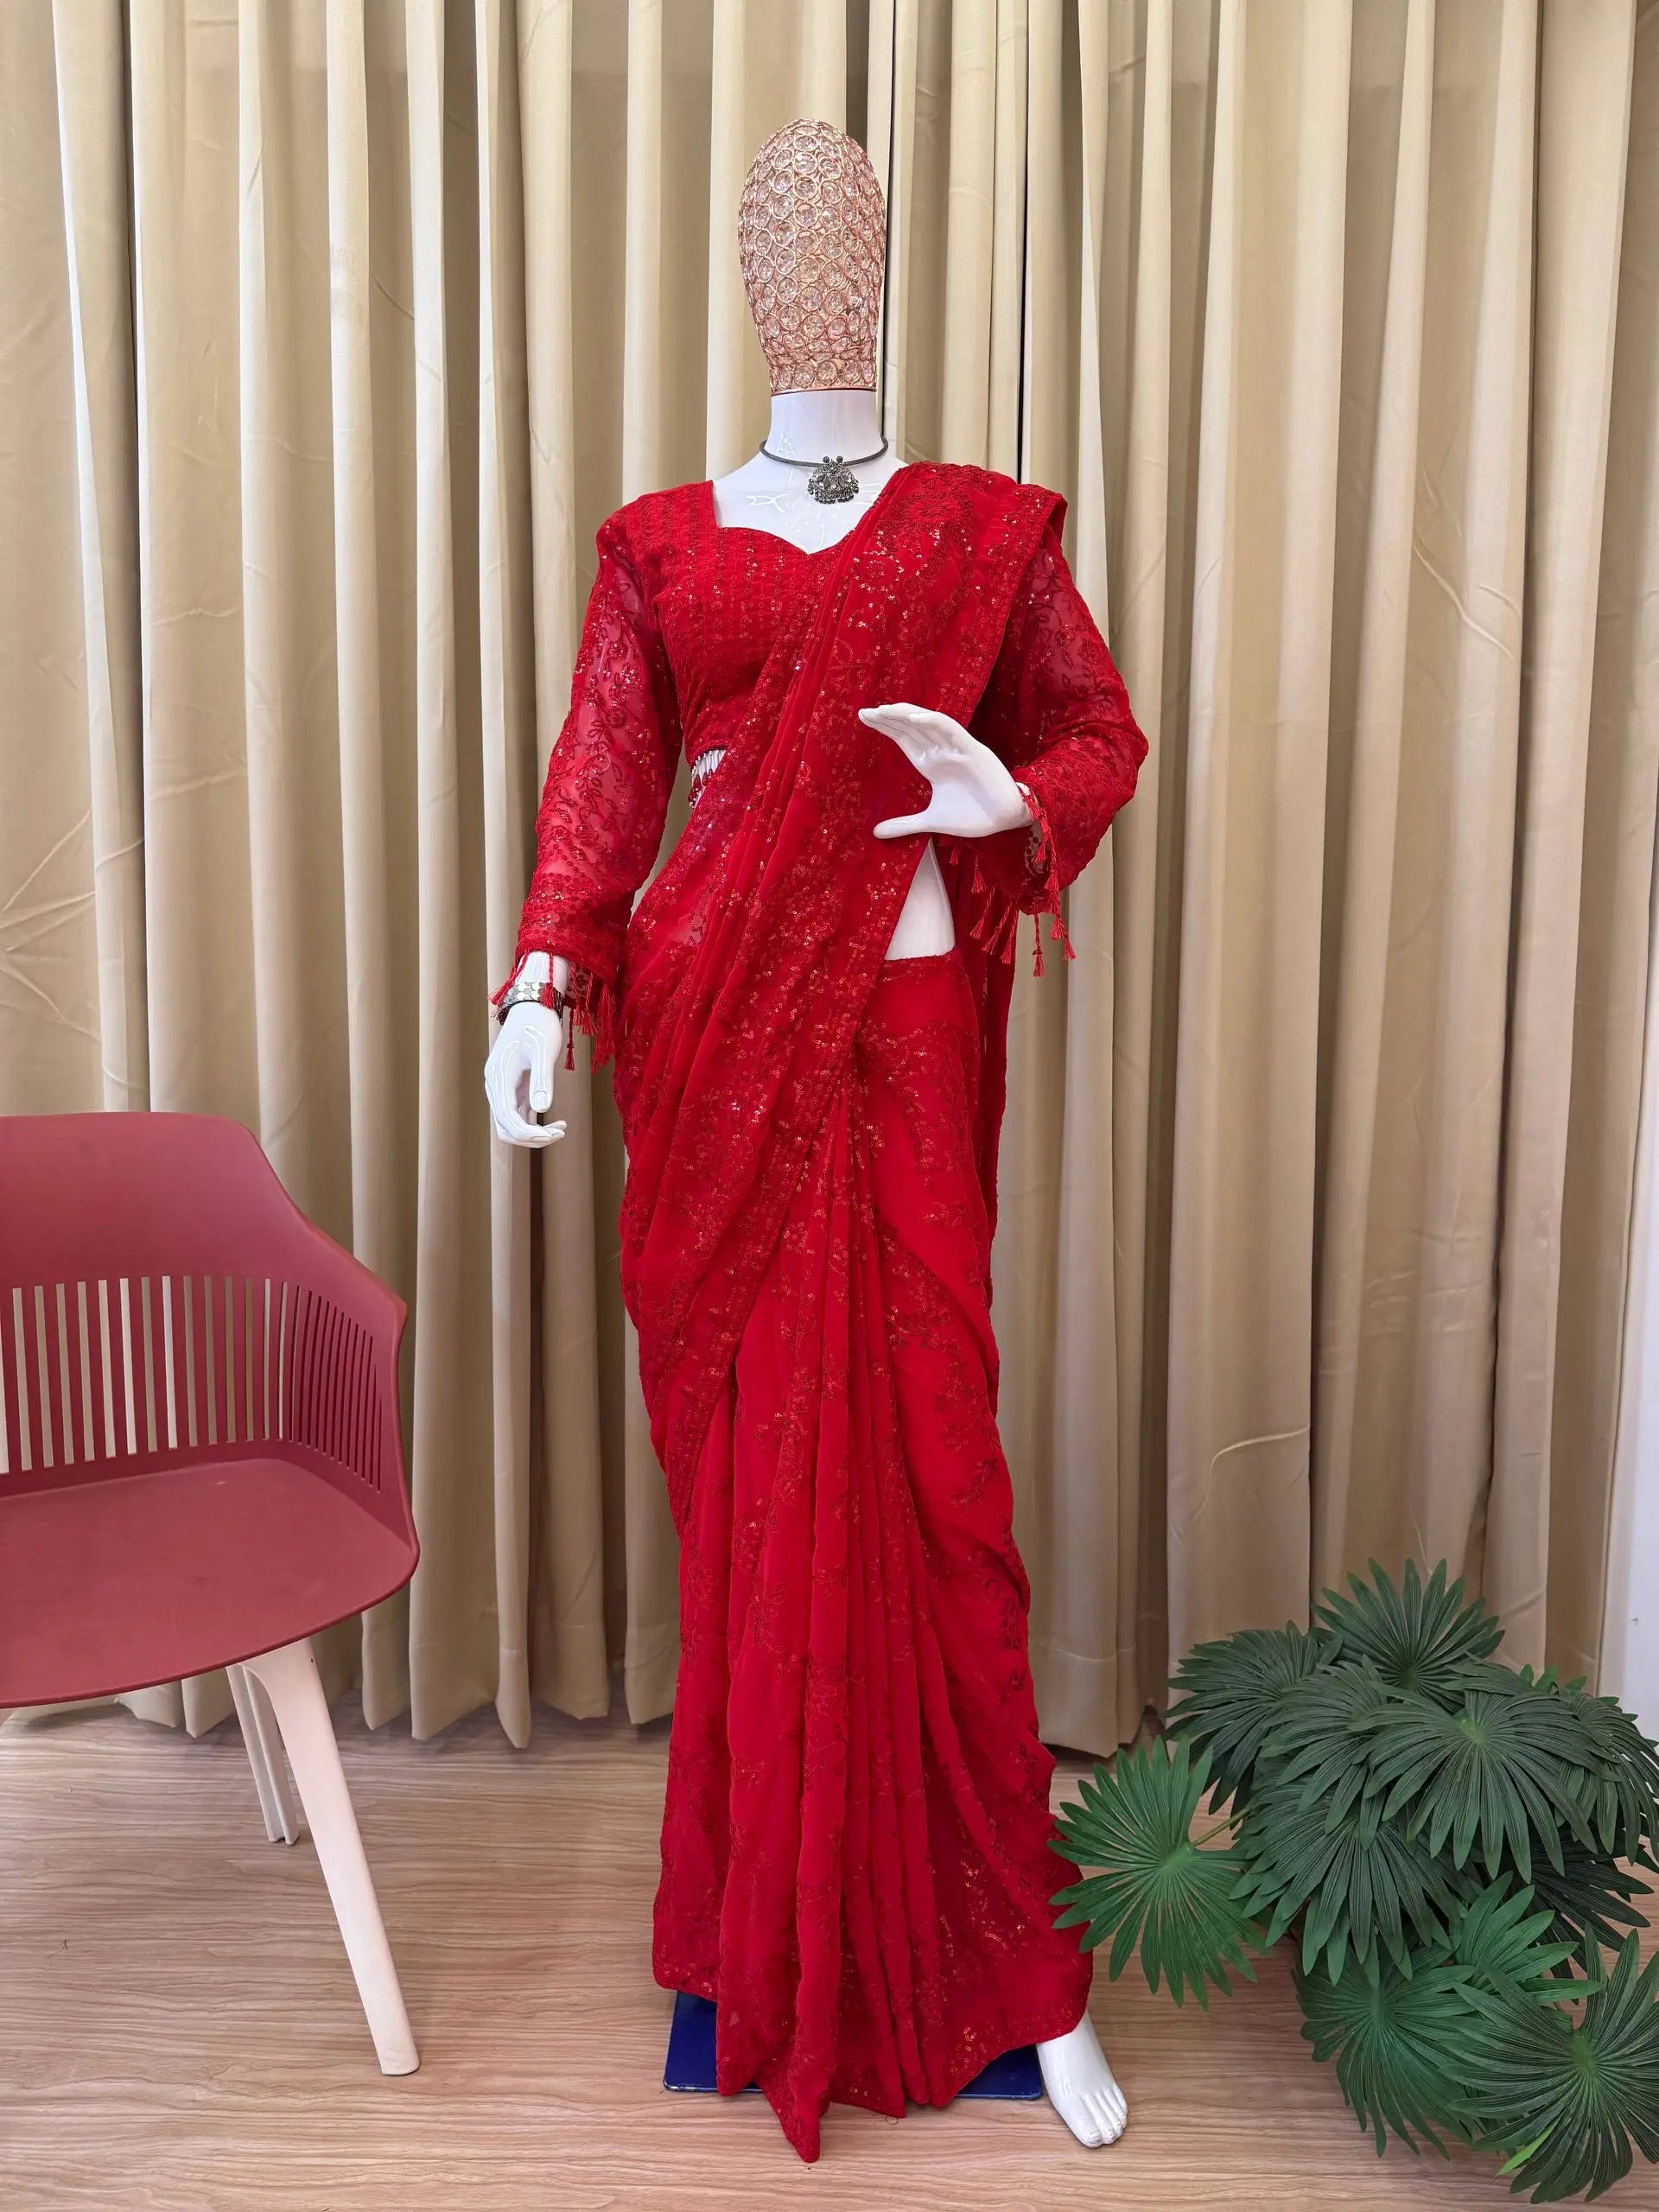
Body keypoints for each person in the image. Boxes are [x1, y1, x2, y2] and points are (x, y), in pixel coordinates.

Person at [485, 119, 1146, 2164]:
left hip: (906, 1032)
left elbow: (1098, 732)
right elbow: (600, 794)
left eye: (845, 234)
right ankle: (761, 1927)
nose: (817, 272)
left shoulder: (984, 531)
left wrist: (1009, 802)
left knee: (942, 1478)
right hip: (718, 1052)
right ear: (749, 279)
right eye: (787, 238)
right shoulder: (660, 544)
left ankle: (1018, 1976)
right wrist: (540, 985)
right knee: (760, 1495)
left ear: (884, 266)